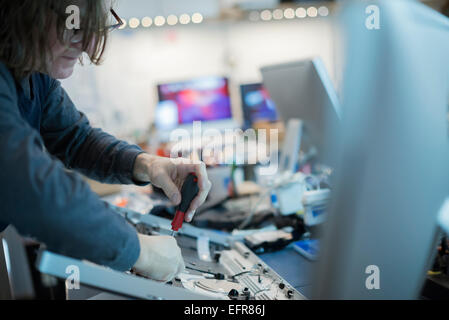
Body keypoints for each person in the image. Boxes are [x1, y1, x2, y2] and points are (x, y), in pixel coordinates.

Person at [0, 0, 211, 282]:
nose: (87, 46)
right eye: (75, 28)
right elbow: (31, 187)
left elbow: (77, 139)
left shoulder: (31, 72)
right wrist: (140, 251)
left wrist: (148, 164)